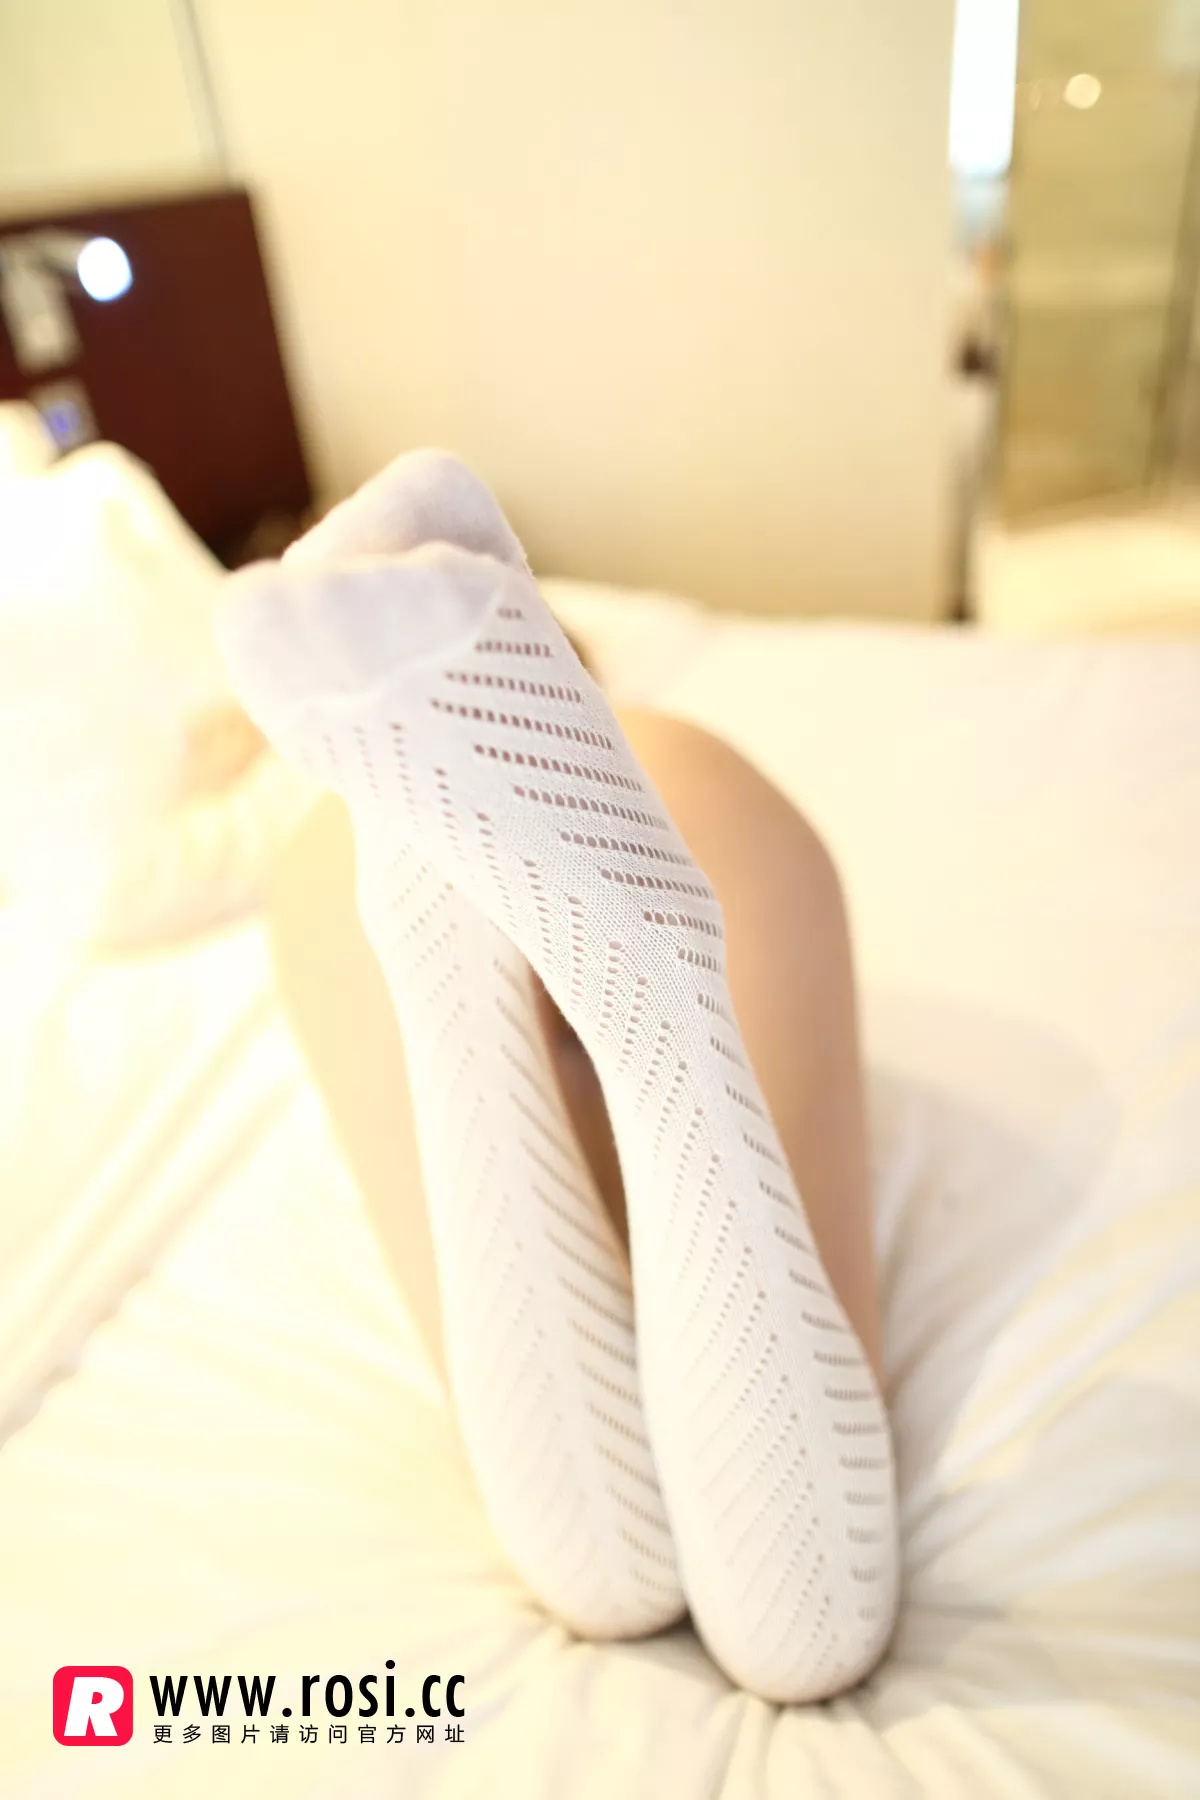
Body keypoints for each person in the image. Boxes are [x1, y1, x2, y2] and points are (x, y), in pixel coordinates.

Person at [218, 450, 898, 1705]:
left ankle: (429, 874)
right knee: (804, 1627)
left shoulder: (306, 858)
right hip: (650, 789)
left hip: (345, 852)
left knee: (608, 1583)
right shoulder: (678, 752)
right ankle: (638, 969)